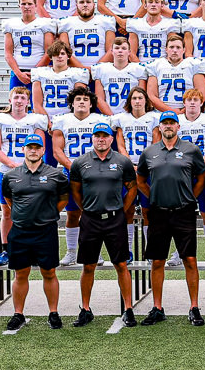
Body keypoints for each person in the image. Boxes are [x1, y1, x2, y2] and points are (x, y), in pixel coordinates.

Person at [136, 111, 205, 326]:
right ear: (159, 128)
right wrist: (154, 196)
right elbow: (140, 180)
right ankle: (157, 307)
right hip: (158, 212)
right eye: (164, 123)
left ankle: (194, 307)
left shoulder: (191, 150)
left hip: (184, 211)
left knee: (190, 260)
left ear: (178, 127)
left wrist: (190, 196)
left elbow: (201, 176)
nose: (168, 126)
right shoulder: (149, 152)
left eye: (171, 123)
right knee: (157, 261)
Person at [69, 123, 138, 328]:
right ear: (92, 139)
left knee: (121, 264)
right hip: (90, 219)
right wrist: (87, 209)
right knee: (89, 265)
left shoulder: (122, 161)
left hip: (115, 218)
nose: (101, 139)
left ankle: (128, 309)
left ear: (111, 139)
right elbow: (76, 191)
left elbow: (132, 189)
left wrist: (122, 210)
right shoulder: (80, 163)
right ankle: (86, 308)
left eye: (105, 136)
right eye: (97, 136)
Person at [1, 134, 70, 331]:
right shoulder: (11, 175)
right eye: (29, 147)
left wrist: (48, 213)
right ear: (23, 150)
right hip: (20, 231)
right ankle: (18, 313)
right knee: (20, 273)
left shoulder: (55, 174)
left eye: (37, 147)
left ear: (42, 150)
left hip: (45, 231)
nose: (33, 150)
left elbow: (63, 198)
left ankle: (53, 313)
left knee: (49, 272)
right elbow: (8, 199)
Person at [0, 87, 48, 267]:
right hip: (7, 173)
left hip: (31, 173)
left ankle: (34, 249)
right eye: (16, 97)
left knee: (33, 212)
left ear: (28, 102)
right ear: (10, 100)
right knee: (7, 213)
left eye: (23, 97)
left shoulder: (35, 120)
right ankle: (7, 249)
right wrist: (14, 166)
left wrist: (28, 168)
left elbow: (40, 149)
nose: (19, 100)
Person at [51, 86, 108, 266]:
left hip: (95, 171)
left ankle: (94, 251)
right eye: (78, 99)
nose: (82, 102)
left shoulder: (100, 120)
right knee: (72, 213)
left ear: (91, 104)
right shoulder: (62, 121)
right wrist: (74, 167)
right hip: (71, 171)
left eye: (85, 99)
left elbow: (105, 145)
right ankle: (71, 252)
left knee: (93, 214)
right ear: (72, 104)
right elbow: (57, 151)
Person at [166, 89, 205, 260]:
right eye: (189, 100)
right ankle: (179, 252)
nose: (192, 103)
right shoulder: (177, 121)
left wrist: (199, 163)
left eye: (195, 100)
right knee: (180, 214)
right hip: (182, 172)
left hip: (203, 169)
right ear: (184, 103)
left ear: (201, 102)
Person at [112, 86, 160, 259]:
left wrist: (143, 164)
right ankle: (127, 249)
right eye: (134, 98)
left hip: (148, 168)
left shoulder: (153, 118)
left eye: (140, 98)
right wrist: (128, 163)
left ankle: (151, 249)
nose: (137, 101)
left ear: (146, 101)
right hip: (128, 167)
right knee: (128, 210)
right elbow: (121, 145)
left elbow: (155, 143)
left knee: (148, 211)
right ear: (129, 101)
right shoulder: (121, 119)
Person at [3, 0, 56, 90]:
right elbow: (8, 53)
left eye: (30, 4)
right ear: (19, 6)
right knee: (16, 104)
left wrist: (35, 72)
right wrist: (18, 73)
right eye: (23, 4)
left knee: (37, 104)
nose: (27, 6)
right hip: (18, 72)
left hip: (40, 71)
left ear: (35, 6)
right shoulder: (11, 25)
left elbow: (49, 52)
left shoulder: (45, 24)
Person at [145, 34, 205, 113]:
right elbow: (152, 96)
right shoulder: (156, 65)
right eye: (171, 47)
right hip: (162, 113)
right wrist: (171, 111)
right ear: (166, 50)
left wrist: (184, 111)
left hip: (189, 113)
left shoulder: (193, 64)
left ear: (184, 50)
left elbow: (202, 94)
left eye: (178, 47)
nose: (174, 50)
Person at [30, 40, 90, 119]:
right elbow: (37, 105)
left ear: (68, 56)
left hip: (69, 119)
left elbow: (79, 103)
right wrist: (47, 122)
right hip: (45, 118)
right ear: (51, 57)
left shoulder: (78, 73)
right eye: (56, 54)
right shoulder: (40, 73)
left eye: (62, 53)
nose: (59, 56)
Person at [58, 0, 115, 70]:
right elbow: (65, 51)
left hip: (101, 71)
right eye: (81, 2)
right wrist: (84, 70)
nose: (85, 5)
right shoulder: (67, 22)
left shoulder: (106, 21)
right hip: (75, 71)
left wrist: (95, 70)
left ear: (93, 5)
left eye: (88, 2)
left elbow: (111, 51)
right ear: (76, 5)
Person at [92, 37, 147, 116]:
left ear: (129, 52)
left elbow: (142, 97)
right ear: (111, 51)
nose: (120, 51)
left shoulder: (138, 69)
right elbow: (99, 99)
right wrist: (112, 117)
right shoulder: (101, 69)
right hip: (109, 115)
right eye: (117, 48)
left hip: (132, 116)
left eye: (124, 48)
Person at [126, 0, 182, 65]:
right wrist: (141, 67)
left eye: (157, 2)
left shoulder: (169, 24)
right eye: (150, 2)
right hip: (142, 65)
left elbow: (172, 51)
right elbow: (131, 53)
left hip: (162, 66)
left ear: (162, 5)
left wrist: (163, 67)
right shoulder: (136, 24)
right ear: (145, 6)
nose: (153, 5)